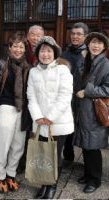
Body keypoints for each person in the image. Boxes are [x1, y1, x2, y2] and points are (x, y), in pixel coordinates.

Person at [27, 36, 74, 199]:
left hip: (58, 123)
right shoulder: (33, 72)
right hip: (40, 122)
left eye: (48, 51)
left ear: (55, 53)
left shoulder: (63, 70)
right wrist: (38, 116)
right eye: (42, 51)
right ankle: (43, 184)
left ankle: (52, 186)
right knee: (43, 154)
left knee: (54, 155)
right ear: (37, 53)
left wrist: (50, 117)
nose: (45, 54)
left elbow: (65, 95)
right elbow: (31, 96)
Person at [0, 32, 31, 193]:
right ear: (10, 48)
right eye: (15, 46)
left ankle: (11, 174)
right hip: (5, 107)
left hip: (21, 109)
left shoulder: (27, 67)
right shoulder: (0, 64)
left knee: (18, 145)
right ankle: (0, 175)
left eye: (21, 47)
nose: (18, 50)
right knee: (2, 144)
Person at [74, 32, 109, 193]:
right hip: (84, 110)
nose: (96, 46)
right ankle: (88, 175)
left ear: (104, 47)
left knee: (93, 147)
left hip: (95, 111)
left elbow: (107, 88)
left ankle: (95, 181)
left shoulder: (106, 64)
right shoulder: (87, 60)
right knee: (86, 145)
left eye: (99, 43)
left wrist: (87, 91)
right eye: (93, 42)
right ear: (88, 44)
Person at [17, 24, 44, 174]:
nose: (35, 38)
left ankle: (35, 159)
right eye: (32, 34)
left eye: (38, 35)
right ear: (28, 36)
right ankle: (22, 160)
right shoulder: (21, 50)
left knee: (37, 131)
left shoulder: (45, 51)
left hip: (39, 98)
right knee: (24, 130)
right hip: (24, 96)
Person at [62, 22, 89, 162]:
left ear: (85, 36)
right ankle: (68, 154)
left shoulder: (89, 54)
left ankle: (87, 162)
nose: (75, 36)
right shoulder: (64, 53)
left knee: (84, 127)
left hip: (83, 96)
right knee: (66, 124)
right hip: (67, 96)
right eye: (73, 33)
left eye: (79, 34)